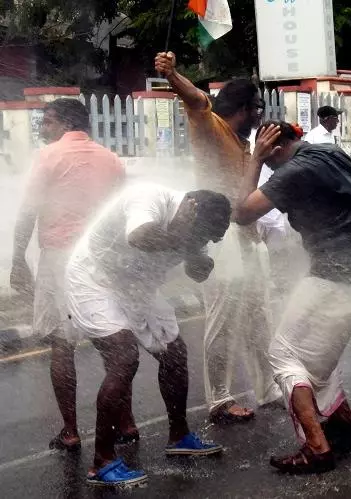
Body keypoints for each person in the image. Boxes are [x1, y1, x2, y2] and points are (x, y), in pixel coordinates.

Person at [234, 122, 351, 474]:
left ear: (276, 147)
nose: (269, 167)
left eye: (268, 157)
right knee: (316, 356)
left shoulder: (294, 169)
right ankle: (343, 424)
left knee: (283, 355)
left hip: (334, 273)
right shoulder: (331, 152)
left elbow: (241, 213)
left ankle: (316, 447)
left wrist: (254, 159)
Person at [66, 185, 227, 487]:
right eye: (201, 236)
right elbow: (139, 236)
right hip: (95, 280)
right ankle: (102, 461)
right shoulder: (151, 198)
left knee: (175, 353)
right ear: (188, 213)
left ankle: (179, 436)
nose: (201, 243)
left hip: (137, 285)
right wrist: (179, 234)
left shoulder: (194, 227)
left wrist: (200, 265)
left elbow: (195, 269)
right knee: (124, 357)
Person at [155, 51, 280, 424]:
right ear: (245, 107)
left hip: (247, 238)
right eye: (258, 107)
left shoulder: (245, 145)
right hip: (217, 239)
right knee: (223, 318)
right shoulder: (211, 127)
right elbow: (195, 100)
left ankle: (268, 387)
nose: (261, 114)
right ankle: (219, 399)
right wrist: (173, 75)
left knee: (259, 315)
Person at [11, 99, 126, 452]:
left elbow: (29, 210)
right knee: (115, 343)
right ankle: (127, 422)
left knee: (62, 344)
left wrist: (18, 257)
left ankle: (71, 430)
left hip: (60, 257)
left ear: (63, 123)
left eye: (46, 122)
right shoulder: (111, 159)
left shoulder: (48, 157)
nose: (42, 129)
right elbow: (121, 212)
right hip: (102, 256)